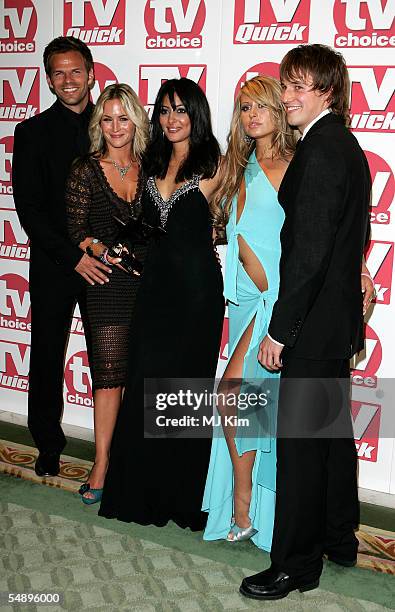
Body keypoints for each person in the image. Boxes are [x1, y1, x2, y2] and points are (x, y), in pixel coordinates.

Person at [240, 44, 372, 601]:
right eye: (285, 84)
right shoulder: (344, 145)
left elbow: (311, 253)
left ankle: (295, 565)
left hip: (310, 327)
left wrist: (278, 329)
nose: (287, 96)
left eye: (299, 87)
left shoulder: (320, 150)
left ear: (327, 94)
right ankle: (339, 540)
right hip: (331, 325)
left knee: (302, 448)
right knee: (332, 439)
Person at [99, 78, 225, 530]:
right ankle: (140, 493)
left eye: (180, 110)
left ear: (196, 114)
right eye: (165, 111)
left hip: (196, 297)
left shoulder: (217, 164)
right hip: (153, 293)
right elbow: (140, 225)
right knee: (147, 383)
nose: (171, 119)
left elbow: (246, 216)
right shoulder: (149, 163)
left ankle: (179, 496)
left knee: (184, 392)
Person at [202, 75, 296, 550]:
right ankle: (254, 512)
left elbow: (322, 229)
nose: (251, 115)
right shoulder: (238, 165)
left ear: (280, 111)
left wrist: (359, 271)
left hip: (273, 302)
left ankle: (244, 506)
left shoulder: (291, 165)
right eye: (243, 107)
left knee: (233, 397)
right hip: (240, 304)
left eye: (261, 106)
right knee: (252, 409)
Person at [12, 37, 112, 478]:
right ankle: (48, 444)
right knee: (48, 356)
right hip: (55, 266)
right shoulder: (31, 132)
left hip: (106, 265)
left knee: (110, 361)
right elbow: (29, 208)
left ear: (92, 75)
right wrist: (73, 257)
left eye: (76, 71)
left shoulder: (113, 125)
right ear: (48, 78)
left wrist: (102, 252)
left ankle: (112, 451)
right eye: (59, 72)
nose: (68, 80)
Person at [65, 84, 149, 503]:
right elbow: (75, 228)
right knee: (109, 375)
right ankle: (101, 462)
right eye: (108, 119)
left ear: (136, 121)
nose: (116, 127)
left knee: (138, 375)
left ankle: (131, 460)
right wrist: (100, 249)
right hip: (106, 287)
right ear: (100, 124)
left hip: (148, 287)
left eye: (123, 118)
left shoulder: (152, 168)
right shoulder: (86, 169)